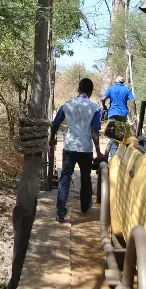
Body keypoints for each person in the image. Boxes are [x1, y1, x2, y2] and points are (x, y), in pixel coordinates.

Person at [49, 78, 104, 222]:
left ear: (78, 89)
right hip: (85, 149)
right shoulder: (94, 108)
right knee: (86, 178)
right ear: (91, 92)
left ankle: (61, 212)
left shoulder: (67, 105)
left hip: (70, 147)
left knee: (65, 178)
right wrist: (98, 152)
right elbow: (94, 133)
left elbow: (54, 124)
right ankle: (85, 206)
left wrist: (52, 139)